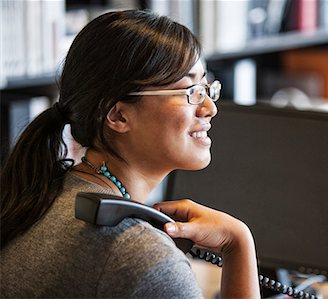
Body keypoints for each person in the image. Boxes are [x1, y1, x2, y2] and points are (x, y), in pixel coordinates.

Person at [0, 10, 259, 298]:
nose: (210, 107)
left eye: (208, 88)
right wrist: (239, 245)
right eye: (190, 91)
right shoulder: (143, 258)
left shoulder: (43, 195)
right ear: (119, 115)